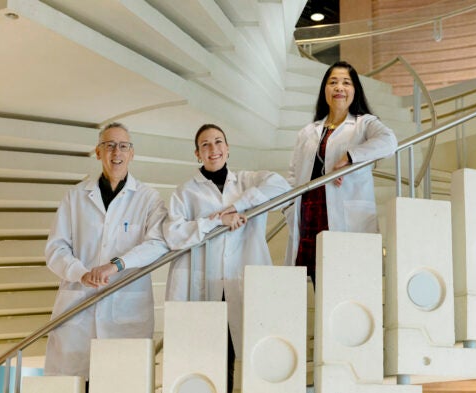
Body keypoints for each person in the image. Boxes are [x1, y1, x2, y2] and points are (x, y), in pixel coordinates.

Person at [164, 123, 291, 392]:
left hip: (241, 277)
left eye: (218, 142)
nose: (213, 149)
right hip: (205, 281)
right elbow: (174, 235)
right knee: (209, 355)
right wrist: (219, 221)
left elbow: (281, 187)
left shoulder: (247, 181)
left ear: (228, 148)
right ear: (197, 153)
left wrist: (239, 205)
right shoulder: (186, 192)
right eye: (205, 145)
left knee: (244, 352)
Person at [44, 122, 169, 382]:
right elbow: (56, 248)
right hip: (79, 306)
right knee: (74, 383)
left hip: (126, 310)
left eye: (123, 146)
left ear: (131, 153)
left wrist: (117, 265)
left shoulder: (148, 198)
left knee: (121, 382)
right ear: (98, 152)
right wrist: (80, 273)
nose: (116, 152)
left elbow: (157, 243)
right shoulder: (75, 197)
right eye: (109, 145)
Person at [285, 61, 397, 284]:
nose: (339, 87)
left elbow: (389, 142)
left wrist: (350, 156)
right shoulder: (308, 131)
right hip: (309, 216)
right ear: (324, 90)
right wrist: (289, 208)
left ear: (355, 90)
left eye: (346, 82)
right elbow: (293, 173)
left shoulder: (364, 123)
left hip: (345, 215)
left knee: (348, 280)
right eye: (333, 82)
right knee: (318, 281)